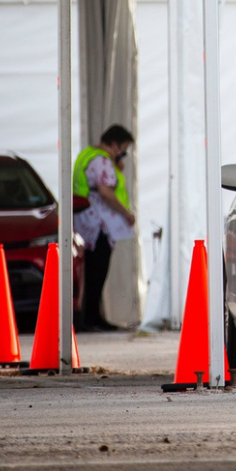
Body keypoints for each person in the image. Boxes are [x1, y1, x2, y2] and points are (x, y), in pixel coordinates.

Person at [72, 124, 135, 331]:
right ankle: (92, 318)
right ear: (114, 145)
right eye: (123, 151)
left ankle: (89, 316)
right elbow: (106, 192)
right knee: (97, 272)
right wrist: (126, 213)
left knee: (88, 272)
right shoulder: (103, 162)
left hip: (84, 223)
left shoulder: (87, 155)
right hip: (98, 225)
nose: (123, 156)